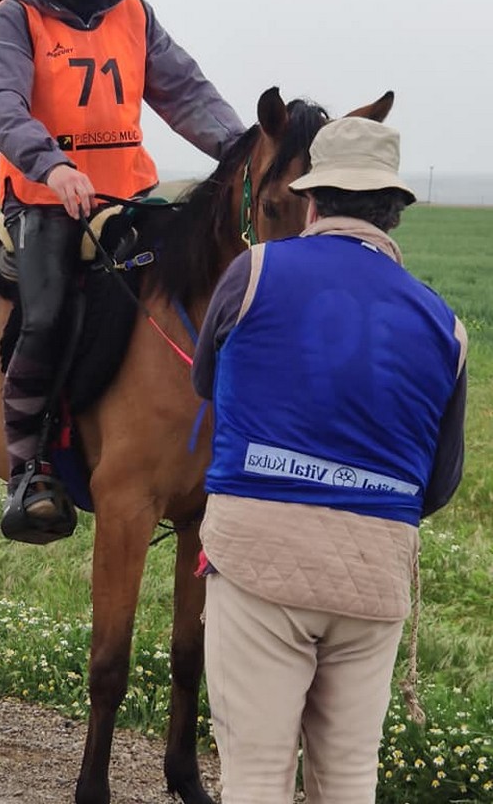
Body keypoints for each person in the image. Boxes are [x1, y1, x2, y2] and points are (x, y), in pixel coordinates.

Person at [191, 116, 467, 804]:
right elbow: (437, 483)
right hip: (374, 579)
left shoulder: (252, 271)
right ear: (395, 213)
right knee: (347, 779)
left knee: (257, 777)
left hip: (257, 563)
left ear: (312, 200)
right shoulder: (446, 326)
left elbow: (205, 381)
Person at [0, 0, 246, 542]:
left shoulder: (132, 13)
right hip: (44, 201)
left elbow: (187, 93)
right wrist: (53, 164)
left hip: (129, 199)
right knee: (47, 315)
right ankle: (30, 468)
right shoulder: (15, 18)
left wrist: (247, 150)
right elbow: (1, 105)